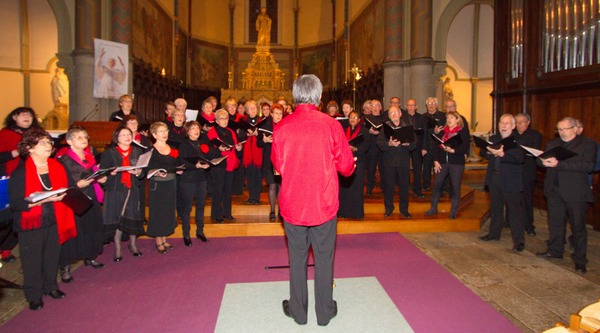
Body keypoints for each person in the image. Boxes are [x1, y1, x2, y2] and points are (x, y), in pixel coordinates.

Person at [272, 74, 355, 326]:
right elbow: (347, 168)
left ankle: (298, 311)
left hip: (293, 203)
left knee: (296, 258)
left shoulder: (282, 126)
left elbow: (278, 165)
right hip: (323, 203)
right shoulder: (331, 124)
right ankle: (324, 312)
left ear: (295, 95)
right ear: (318, 97)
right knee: (324, 257)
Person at [9, 129, 76, 310]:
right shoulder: (20, 173)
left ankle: (51, 286)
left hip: (55, 218)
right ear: (30, 148)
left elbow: (69, 187)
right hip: (31, 222)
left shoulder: (58, 166)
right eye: (43, 143)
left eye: (49, 142)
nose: (49, 146)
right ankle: (34, 294)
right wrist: (45, 199)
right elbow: (16, 204)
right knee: (32, 260)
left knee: (51, 256)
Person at [536, 117, 597, 273]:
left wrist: (559, 164)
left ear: (575, 128)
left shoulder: (587, 144)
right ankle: (555, 251)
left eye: (565, 129)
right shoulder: (553, 143)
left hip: (575, 191)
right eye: (559, 129)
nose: (562, 132)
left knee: (578, 227)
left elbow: (588, 166)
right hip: (554, 190)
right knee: (555, 223)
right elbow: (539, 161)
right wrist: (542, 161)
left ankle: (580, 259)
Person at [57, 127, 107, 283]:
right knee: (75, 231)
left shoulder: (90, 157)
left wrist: (101, 178)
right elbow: (61, 183)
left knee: (91, 227)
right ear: (70, 141)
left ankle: (89, 256)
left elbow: (95, 177)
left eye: (85, 136)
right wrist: (76, 184)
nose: (83, 139)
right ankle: (65, 267)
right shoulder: (64, 160)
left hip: (91, 195)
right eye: (78, 137)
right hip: (75, 199)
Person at [479, 114, 526, 252]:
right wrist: (489, 152)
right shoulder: (494, 138)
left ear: (513, 126)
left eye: (507, 124)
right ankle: (494, 234)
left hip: (511, 180)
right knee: (495, 208)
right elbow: (483, 152)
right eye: (501, 123)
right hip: (494, 178)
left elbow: (519, 158)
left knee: (515, 212)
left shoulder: (518, 140)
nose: (503, 126)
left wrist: (502, 155)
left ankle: (519, 242)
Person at [0, 107, 41, 262]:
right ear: (14, 117)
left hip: (35, 177)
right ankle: (5, 249)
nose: (27, 117)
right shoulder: (5, 134)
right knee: (11, 214)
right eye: (23, 114)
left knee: (30, 212)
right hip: (13, 178)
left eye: (30, 114)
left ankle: (14, 246)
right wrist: (16, 152)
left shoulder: (37, 132)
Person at [100, 127, 145, 261]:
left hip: (132, 188)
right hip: (115, 189)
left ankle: (133, 244)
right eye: (123, 134)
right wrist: (110, 173)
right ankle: (118, 247)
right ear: (117, 138)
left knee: (132, 216)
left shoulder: (138, 151)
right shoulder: (109, 153)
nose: (127, 136)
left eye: (129, 134)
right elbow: (102, 174)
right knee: (117, 217)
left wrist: (137, 172)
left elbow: (143, 172)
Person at [425, 110, 470, 219]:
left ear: (457, 120)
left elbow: (464, 147)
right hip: (442, 162)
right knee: (437, 185)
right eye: (448, 118)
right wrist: (435, 161)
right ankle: (433, 208)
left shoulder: (461, 132)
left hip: (456, 163)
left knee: (455, 187)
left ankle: (453, 211)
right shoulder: (442, 132)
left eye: (451, 118)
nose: (449, 120)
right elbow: (435, 146)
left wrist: (453, 151)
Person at [147, 122, 183, 254]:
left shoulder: (172, 148)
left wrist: (179, 169)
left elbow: (177, 164)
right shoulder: (150, 150)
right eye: (161, 131)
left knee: (168, 211)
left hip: (171, 183)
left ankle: (165, 236)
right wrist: (154, 172)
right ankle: (158, 239)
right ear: (154, 134)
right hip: (157, 185)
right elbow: (146, 168)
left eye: (166, 131)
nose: (164, 134)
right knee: (158, 212)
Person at [177, 121, 214, 246]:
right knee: (187, 208)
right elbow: (183, 162)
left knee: (200, 206)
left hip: (201, 179)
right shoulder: (184, 145)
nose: (196, 130)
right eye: (192, 128)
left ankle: (200, 231)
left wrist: (208, 163)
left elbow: (206, 157)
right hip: (188, 179)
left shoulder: (201, 143)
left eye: (197, 127)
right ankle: (186, 234)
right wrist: (195, 165)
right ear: (187, 132)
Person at [376, 105, 416, 218]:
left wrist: (408, 143)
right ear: (388, 116)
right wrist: (389, 144)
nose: (394, 114)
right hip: (389, 162)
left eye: (395, 112)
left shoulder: (407, 126)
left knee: (404, 187)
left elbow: (414, 143)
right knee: (389, 187)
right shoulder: (385, 128)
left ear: (400, 114)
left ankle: (404, 210)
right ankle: (389, 208)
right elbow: (379, 143)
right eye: (391, 113)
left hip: (403, 162)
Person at [207, 109, 243, 223]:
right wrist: (218, 149)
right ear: (216, 120)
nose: (224, 120)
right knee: (218, 190)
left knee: (228, 190)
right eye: (221, 118)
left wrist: (239, 149)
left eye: (226, 118)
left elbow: (236, 147)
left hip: (230, 164)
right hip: (219, 164)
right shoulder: (212, 132)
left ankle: (227, 213)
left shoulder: (231, 131)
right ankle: (216, 214)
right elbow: (208, 151)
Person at [514, 113, 542, 235]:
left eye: (522, 122)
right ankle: (510, 222)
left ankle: (528, 225)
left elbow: (532, 152)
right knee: (512, 199)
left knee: (526, 200)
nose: (519, 124)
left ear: (528, 122)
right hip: (513, 171)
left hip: (527, 171)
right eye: (517, 122)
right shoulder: (512, 135)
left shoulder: (535, 135)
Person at [339, 110, 369, 219]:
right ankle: (344, 212)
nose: (353, 120)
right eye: (351, 117)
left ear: (359, 120)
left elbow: (366, 146)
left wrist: (355, 148)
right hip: (345, 162)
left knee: (357, 188)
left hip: (359, 162)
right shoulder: (343, 130)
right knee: (345, 187)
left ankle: (357, 213)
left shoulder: (364, 131)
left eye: (355, 118)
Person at [257, 103, 284, 221]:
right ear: (271, 114)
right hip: (270, 160)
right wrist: (264, 140)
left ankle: (282, 211)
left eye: (280, 113)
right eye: (276, 113)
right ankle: (272, 211)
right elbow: (258, 143)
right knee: (272, 186)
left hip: (283, 160)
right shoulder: (265, 125)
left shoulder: (286, 125)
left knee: (281, 187)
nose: (278, 116)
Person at [403, 99, 427, 198]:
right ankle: (406, 188)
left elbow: (425, 133)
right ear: (406, 106)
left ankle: (417, 189)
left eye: (413, 105)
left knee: (417, 169)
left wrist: (424, 147)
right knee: (405, 168)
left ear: (416, 107)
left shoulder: (421, 118)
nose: (411, 107)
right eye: (409, 105)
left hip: (418, 146)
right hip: (405, 146)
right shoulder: (402, 117)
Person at [422, 97, 445, 191]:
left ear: (437, 105)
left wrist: (437, 132)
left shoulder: (443, 116)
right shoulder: (423, 117)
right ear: (426, 106)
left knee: (439, 167)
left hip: (438, 146)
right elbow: (423, 133)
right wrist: (423, 147)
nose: (431, 105)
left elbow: (445, 132)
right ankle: (426, 185)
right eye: (429, 104)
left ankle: (439, 186)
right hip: (427, 145)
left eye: (433, 103)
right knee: (426, 167)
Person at [242, 100, 263, 205]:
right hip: (247, 152)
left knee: (258, 176)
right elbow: (240, 137)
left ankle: (257, 197)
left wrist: (257, 133)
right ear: (246, 111)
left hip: (258, 152)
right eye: (250, 108)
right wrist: (246, 134)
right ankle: (251, 196)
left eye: (254, 107)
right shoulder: (243, 121)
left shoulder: (262, 121)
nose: (253, 110)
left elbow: (265, 136)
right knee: (249, 175)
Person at [364, 99, 385, 196]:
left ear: (380, 108)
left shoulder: (385, 118)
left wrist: (379, 132)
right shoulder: (366, 119)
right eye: (373, 106)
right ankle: (369, 188)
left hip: (382, 148)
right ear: (370, 108)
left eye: (377, 105)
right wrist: (369, 132)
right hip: (371, 147)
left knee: (383, 168)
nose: (375, 108)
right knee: (371, 169)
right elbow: (363, 134)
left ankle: (384, 187)